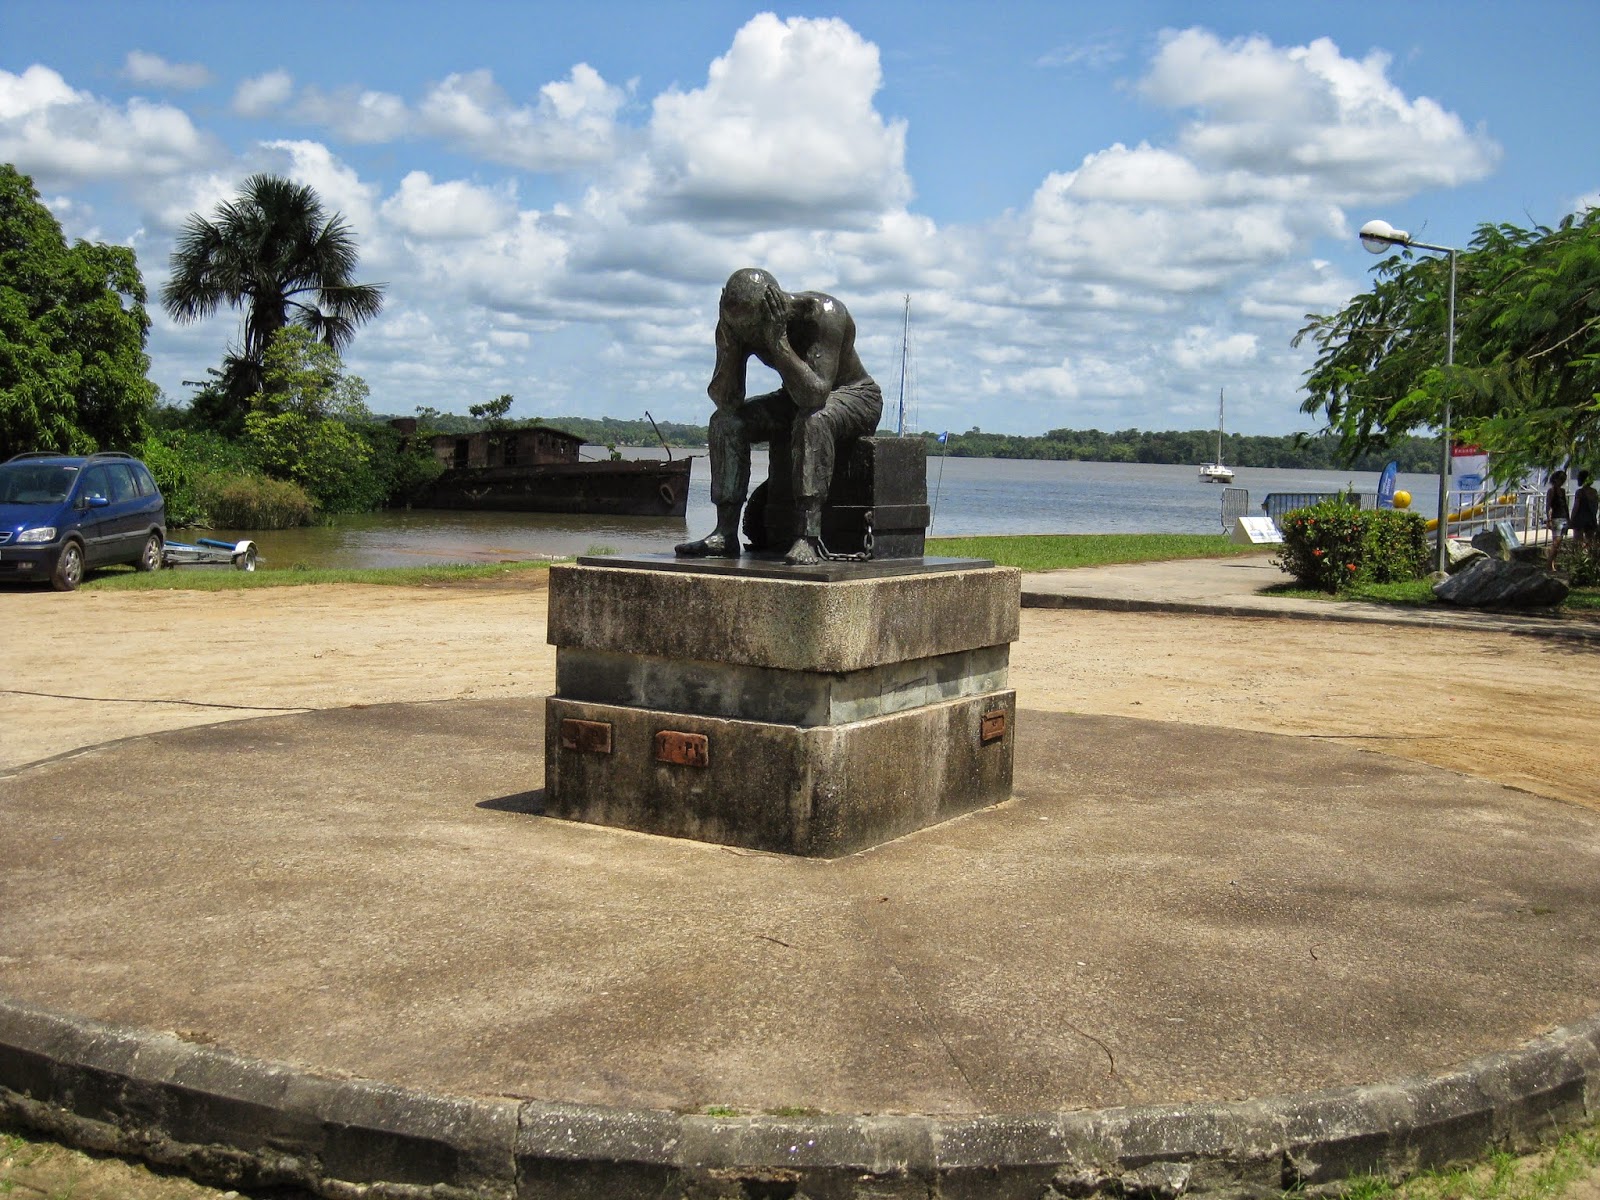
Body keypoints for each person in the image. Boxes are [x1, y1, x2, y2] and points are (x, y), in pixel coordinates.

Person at [675, 268, 882, 565]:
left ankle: (807, 537)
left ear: (774, 306)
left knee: (813, 420)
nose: (750, 336)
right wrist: (731, 344)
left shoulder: (824, 314)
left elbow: (815, 395)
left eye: (753, 329)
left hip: (856, 396)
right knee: (725, 423)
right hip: (796, 396)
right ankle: (724, 532)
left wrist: (777, 342)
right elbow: (726, 401)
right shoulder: (735, 323)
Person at [1545, 469, 1570, 567]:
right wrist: (1549, 519)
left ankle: (1552, 564)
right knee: (1556, 542)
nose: (1562, 482)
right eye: (1561, 479)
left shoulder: (1562, 491)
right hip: (1556, 518)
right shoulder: (1551, 491)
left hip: (1564, 518)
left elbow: (1565, 505)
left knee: (1558, 544)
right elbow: (1548, 506)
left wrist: (1568, 518)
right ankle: (1549, 563)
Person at [1571, 469, 1599, 551]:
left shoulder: (1580, 492)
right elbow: (1596, 506)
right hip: (1591, 519)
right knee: (1589, 541)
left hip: (1579, 519)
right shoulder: (1594, 492)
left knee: (1577, 542)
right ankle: (1588, 559)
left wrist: (1571, 519)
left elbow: (1576, 507)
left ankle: (1577, 559)